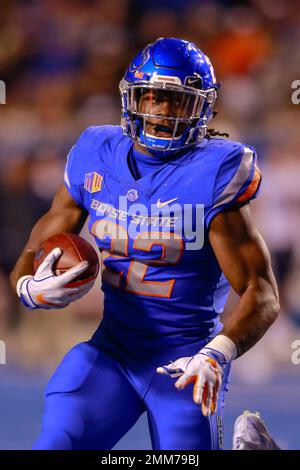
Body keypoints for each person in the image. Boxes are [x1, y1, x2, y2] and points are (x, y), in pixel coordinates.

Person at [10, 37, 279, 450]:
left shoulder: (213, 172)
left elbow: (262, 292)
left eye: (177, 101)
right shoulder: (95, 153)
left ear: (202, 108)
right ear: (131, 97)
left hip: (185, 362)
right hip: (112, 352)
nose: (162, 113)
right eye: (152, 97)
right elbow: (35, 247)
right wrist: (30, 286)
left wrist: (217, 354)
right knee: (56, 441)